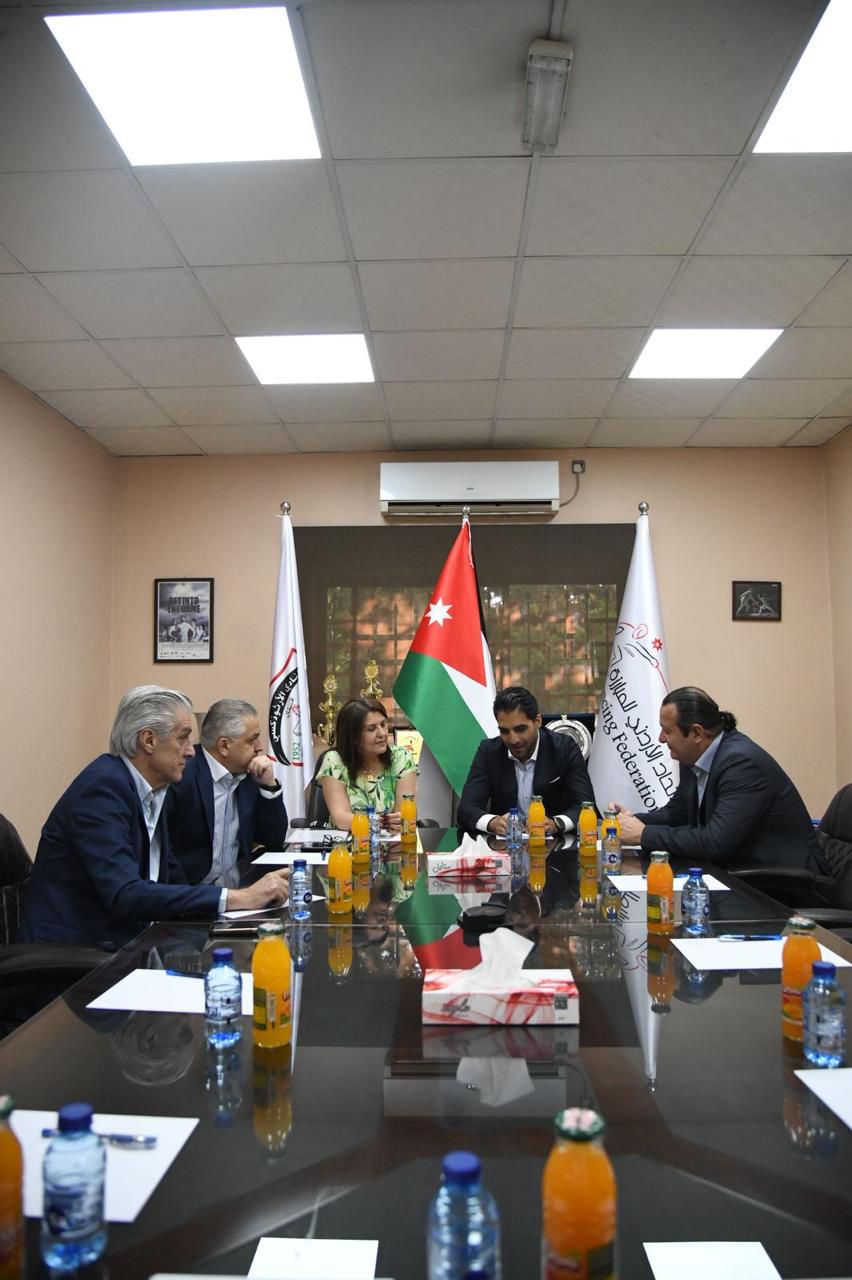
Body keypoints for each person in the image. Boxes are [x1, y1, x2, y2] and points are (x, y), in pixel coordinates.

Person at [18, 686, 290, 950]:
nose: (191, 751)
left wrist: (226, 917)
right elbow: (125, 894)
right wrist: (239, 898)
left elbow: (169, 878)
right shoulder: (103, 789)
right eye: (182, 738)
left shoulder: (151, 790)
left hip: (134, 940)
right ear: (148, 740)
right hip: (76, 955)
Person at [614, 687, 822, 870]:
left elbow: (715, 842)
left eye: (667, 730)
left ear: (696, 733)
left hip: (784, 882)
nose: (660, 738)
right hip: (737, 873)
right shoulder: (693, 756)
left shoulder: (741, 764)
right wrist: (630, 823)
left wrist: (644, 834)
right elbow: (676, 814)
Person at [167, 698, 288, 886]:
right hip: (191, 891)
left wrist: (268, 786)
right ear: (224, 746)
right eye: (252, 740)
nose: (259, 747)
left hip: (237, 887)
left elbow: (273, 839)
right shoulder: (182, 776)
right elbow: (165, 854)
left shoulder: (249, 775)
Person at [457, 686, 596, 837]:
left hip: (555, 845)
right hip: (505, 845)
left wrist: (556, 824)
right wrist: (492, 822)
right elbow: (466, 809)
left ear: (537, 721)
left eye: (520, 729)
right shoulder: (489, 751)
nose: (513, 739)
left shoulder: (564, 748)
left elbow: (586, 806)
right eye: (504, 731)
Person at [316, 698, 418, 832]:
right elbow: (341, 819)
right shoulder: (334, 761)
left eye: (383, 724)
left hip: (391, 840)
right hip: (347, 840)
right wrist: (380, 822)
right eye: (371, 729)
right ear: (353, 737)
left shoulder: (401, 758)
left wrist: (385, 823)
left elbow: (404, 817)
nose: (382, 733)